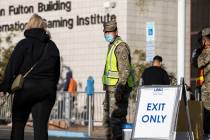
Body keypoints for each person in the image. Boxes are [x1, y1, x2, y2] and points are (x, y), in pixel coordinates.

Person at [0, 14, 60, 140]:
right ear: (43, 26)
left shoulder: (24, 44)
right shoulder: (52, 46)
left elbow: (12, 67)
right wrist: (51, 87)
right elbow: (56, 72)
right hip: (47, 91)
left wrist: (4, 88)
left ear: (29, 25)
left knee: (18, 125)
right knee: (41, 128)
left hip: (26, 89)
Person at [102, 21, 134, 140]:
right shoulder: (112, 46)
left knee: (116, 121)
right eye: (105, 32)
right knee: (108, 121)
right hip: (110, 91)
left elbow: (125, 71)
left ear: (116, 32)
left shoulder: (121, 47)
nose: (107, 34)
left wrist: (120, 90)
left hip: (117, 91)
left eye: (109, 32)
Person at [197, 27, 210, 137]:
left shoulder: (207, 51)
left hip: (208, 88)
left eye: (203, 40)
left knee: (207, 112)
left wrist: (199, 53)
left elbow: (199, 63)